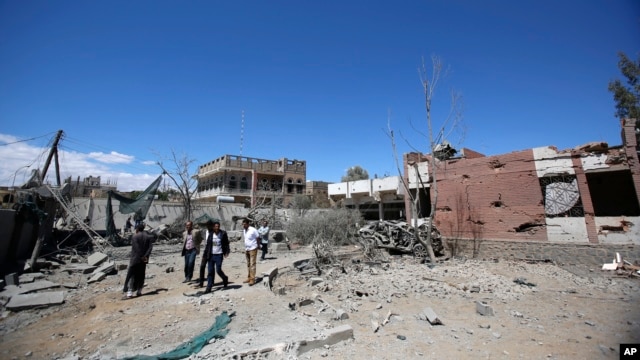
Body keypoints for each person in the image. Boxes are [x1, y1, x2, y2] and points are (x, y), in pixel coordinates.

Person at [126, 222, 154, 298]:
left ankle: (130, 291)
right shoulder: (148, 237)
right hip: (144, 259)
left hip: (136, 258)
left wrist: (141, 256)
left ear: (137, 229)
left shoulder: (135, 237)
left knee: (132, 275)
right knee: (142, 274)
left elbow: (136, 248)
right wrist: (145, 256)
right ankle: (139, 290)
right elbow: (150, 248)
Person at [202, 220, 230, 293]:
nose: (217, 228)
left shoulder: (223, 233)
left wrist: (227, 251)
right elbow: (208, 245)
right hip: (211, 255)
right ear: (213, 227)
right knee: (210, 271)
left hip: (219, 254)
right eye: (215, 226)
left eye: (218, 226)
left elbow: (226, 243)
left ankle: (224, 278)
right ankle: (209, 287)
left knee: (218, 270)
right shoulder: (211, 234)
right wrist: (205, 255)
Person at [242, 218, 261, 286]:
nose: (243, 225)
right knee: (248, 263)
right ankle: (249, 277)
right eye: (243, 224)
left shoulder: (253, 230)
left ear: (248, 224)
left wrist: (258, 246)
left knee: (252, 264)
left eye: (245, 224)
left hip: (253, 248)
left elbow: (258, 238)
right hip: (247, 248)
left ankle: (252, 279)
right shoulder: (244, 230)